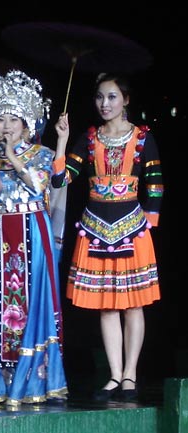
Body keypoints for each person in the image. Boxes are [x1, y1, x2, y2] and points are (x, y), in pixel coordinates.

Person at [51, 73, 162, 401]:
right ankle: (114, 375)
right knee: (107, 306)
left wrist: (147, 225)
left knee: (133, 304)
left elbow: (155, 184)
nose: (104, 103)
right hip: (96, 228)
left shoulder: (142, 138)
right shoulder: (88, 138)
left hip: (132, 229)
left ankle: (130, 375)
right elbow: (60, 180)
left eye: (112, 97)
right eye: (100, 97)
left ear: (125, 99)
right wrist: (62, 140)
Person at [0, 70, 68, 406]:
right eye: (0, 120)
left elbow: (41, 186)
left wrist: (12, 157)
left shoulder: (43, 155)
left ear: (25, 124)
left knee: (33, 301)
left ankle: (33, 380)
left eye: (13, 120)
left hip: (33, 234)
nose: (6, 126)